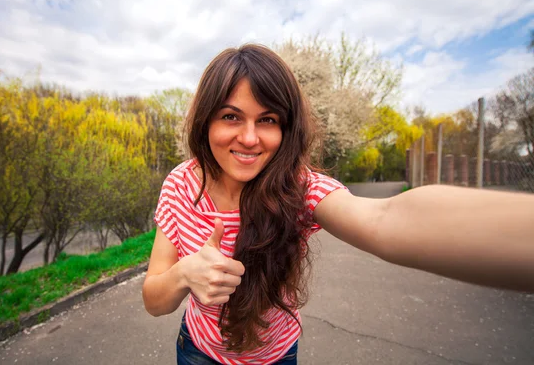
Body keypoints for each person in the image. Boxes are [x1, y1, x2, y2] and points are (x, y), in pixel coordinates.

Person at [142, 44, 534, 365]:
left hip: (277, 357)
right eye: (231, 116)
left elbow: (385, 220)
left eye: (268, 120)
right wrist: (183, 276)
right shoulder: (180, 185)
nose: (249, 138)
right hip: (198, 353)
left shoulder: (299, 187)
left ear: (286, 126)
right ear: (206, 122)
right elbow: (154, 299)